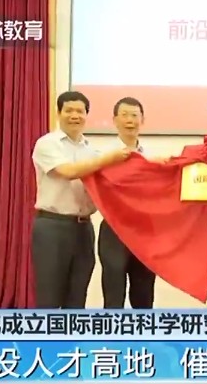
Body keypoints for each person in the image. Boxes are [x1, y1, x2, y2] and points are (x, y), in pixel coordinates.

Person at [31, 91, 131, 308]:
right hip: (52, 227)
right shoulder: (47, 144)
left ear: (86, 115)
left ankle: (71, 332)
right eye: (69, 110)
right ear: (58, 113)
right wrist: (108, 159)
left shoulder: (91, 150)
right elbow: (68, 171)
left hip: (84, 229)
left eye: (80, 111)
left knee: (77, 297)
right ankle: (44, 333)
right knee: (49, 296)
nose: (74, 115)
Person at [98, 97, 164, 309]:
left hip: (145, 231)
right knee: (113, 295)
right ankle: (113, 332)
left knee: (144, 296)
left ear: (142, 120)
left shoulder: (152, 156)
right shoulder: (102, 155)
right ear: (115, 120)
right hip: (114, 230)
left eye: (135, 115)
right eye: (124, 115)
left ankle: (142, 331)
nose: (130, 120)